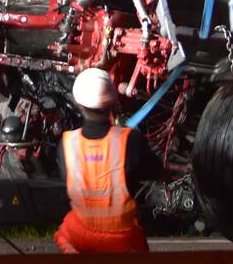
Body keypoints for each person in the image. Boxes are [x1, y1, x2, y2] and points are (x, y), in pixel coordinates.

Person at [54, 68, 163, 254]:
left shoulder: (66, 144)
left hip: (78, 239)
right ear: (112, 101)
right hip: (123, 243)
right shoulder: (131, 140)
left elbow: (67, 187)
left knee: (63, 235)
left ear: (79, 104)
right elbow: (156, 171)